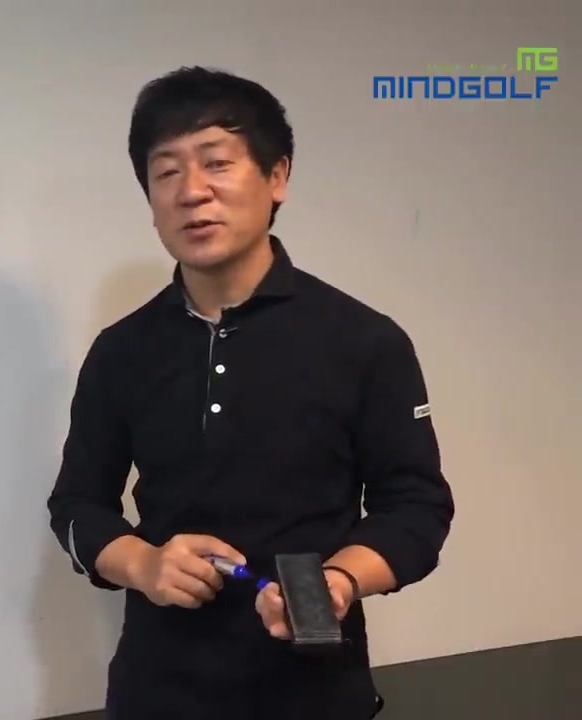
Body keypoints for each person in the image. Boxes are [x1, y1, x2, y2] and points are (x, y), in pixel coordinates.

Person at [45, 66, 456, 719]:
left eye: (217, 163)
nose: (192, 192)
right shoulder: (121, 350)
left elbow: (417, 508)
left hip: (315, 695)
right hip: (157, 695)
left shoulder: (364, 340)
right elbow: (75, 505)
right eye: (167, 171)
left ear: (277, 177)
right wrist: (143, 564)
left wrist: (337, 582)